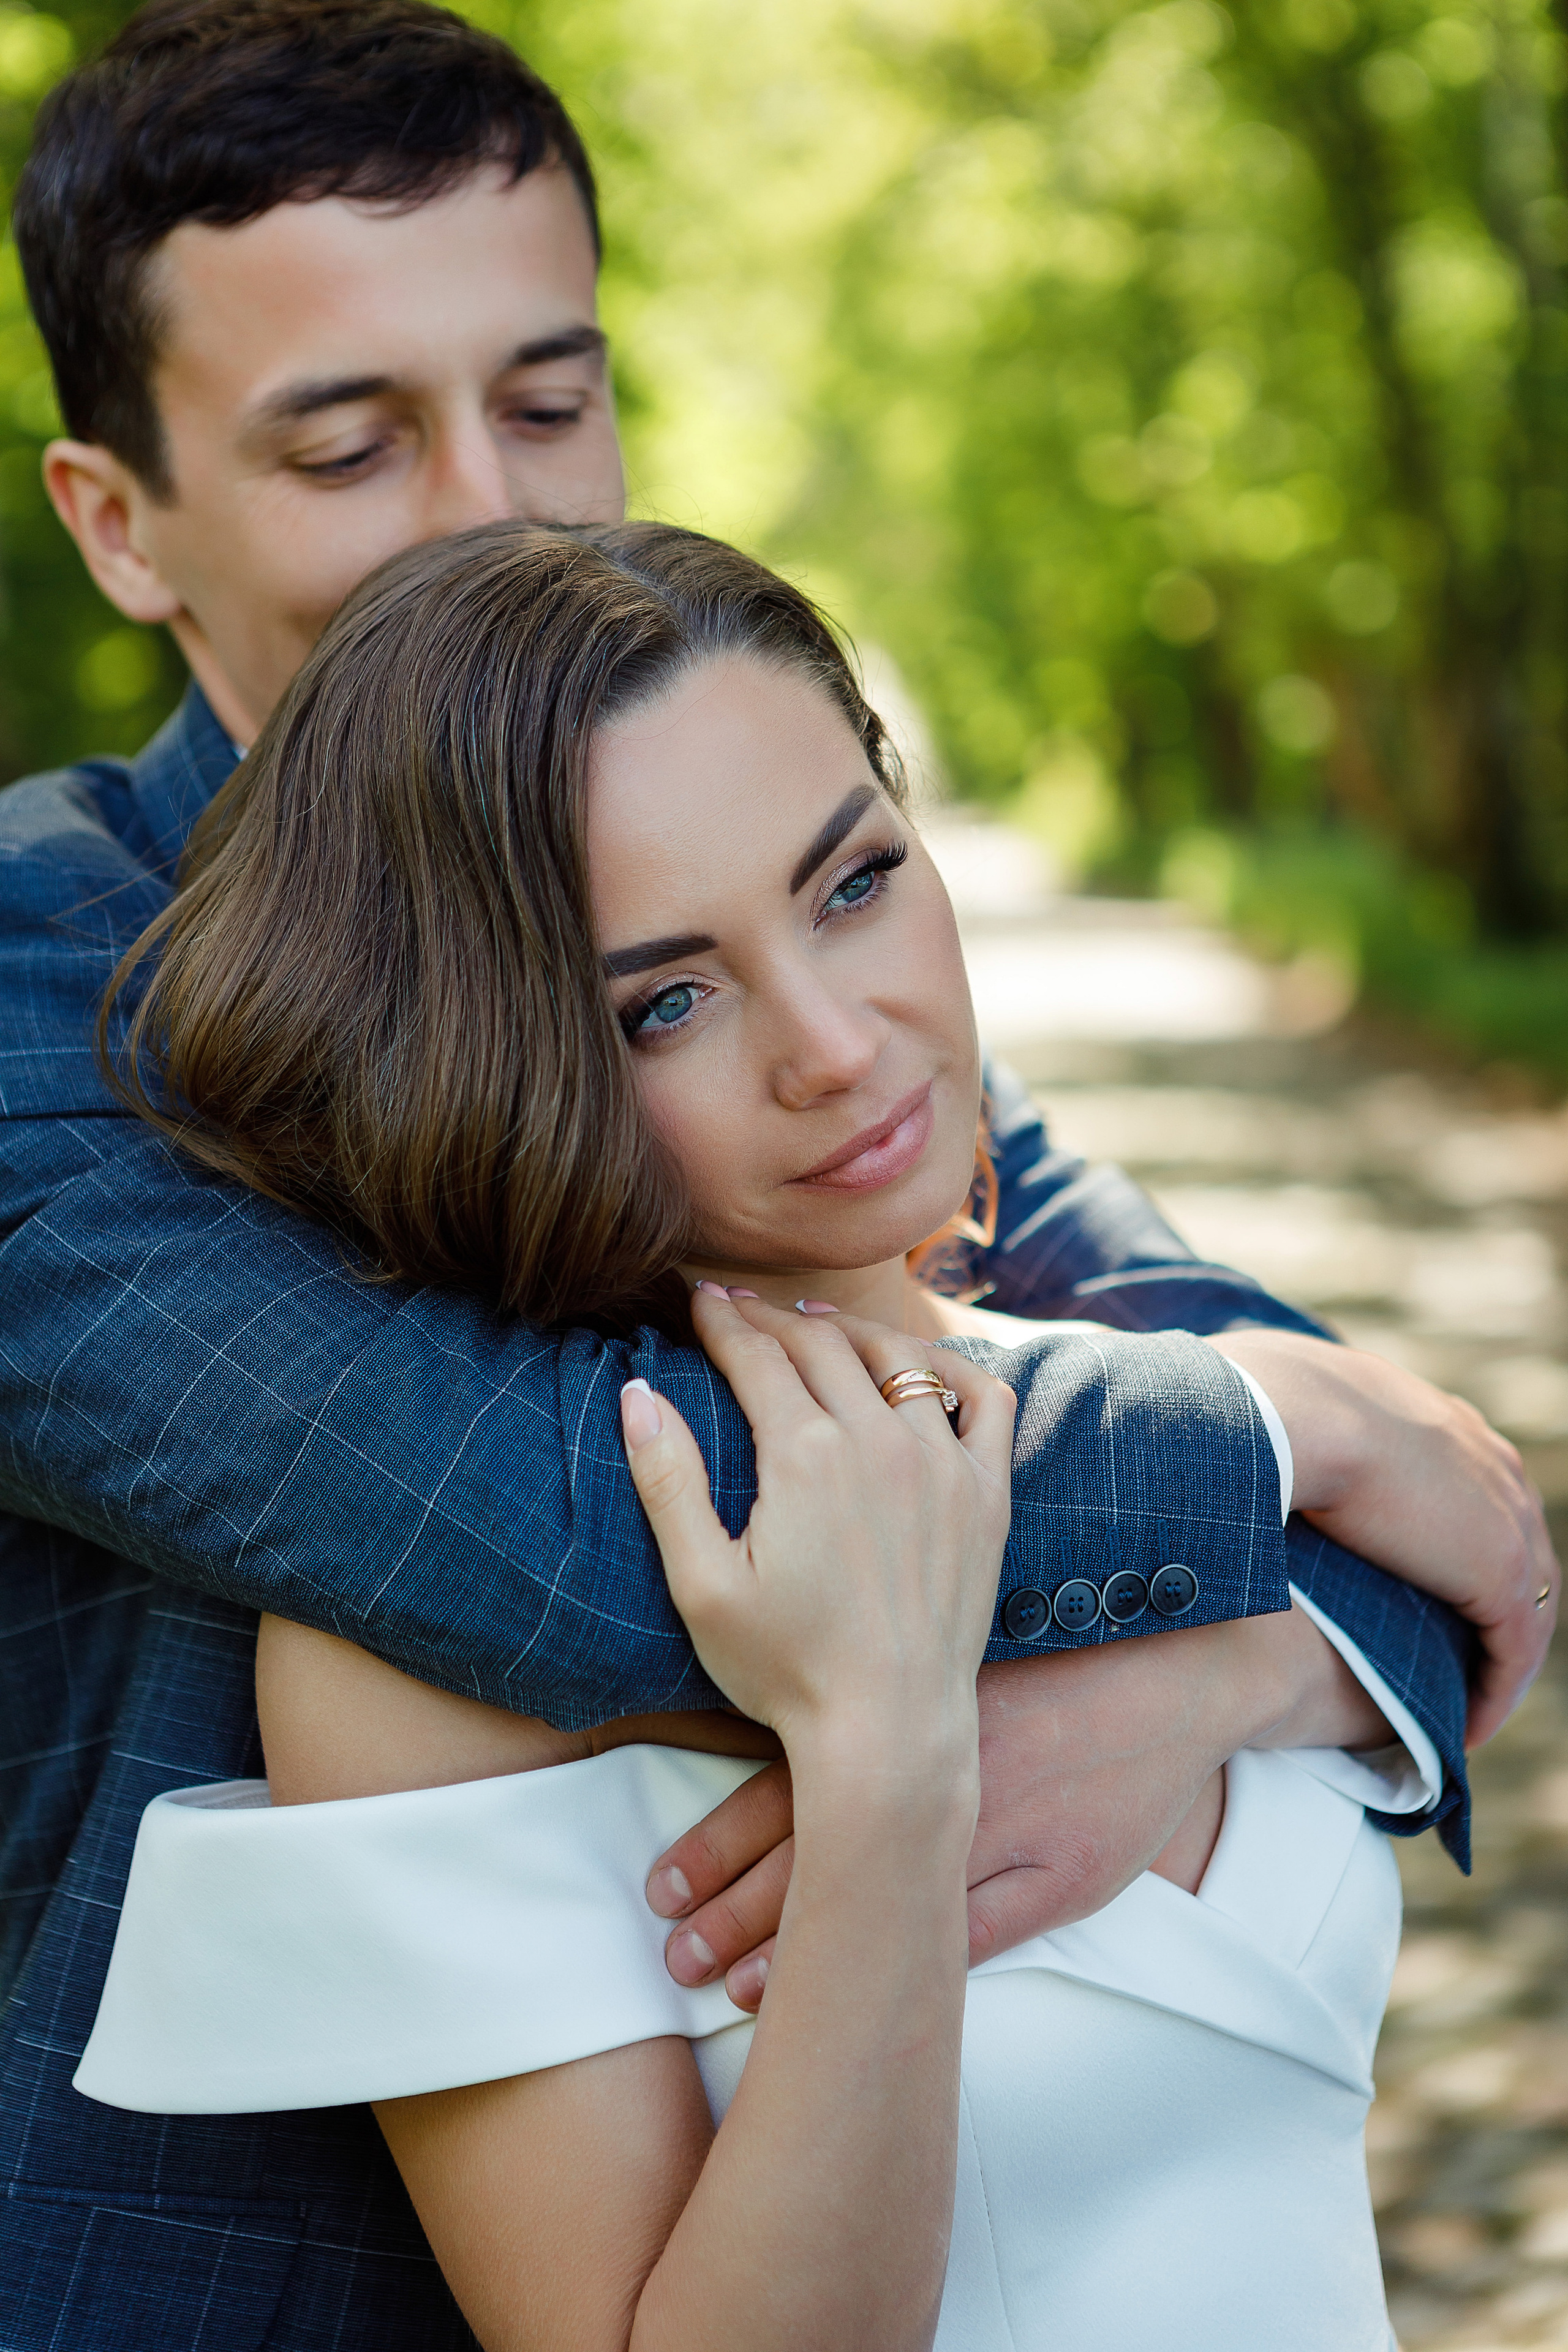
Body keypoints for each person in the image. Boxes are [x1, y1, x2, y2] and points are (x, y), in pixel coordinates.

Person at [0, 4, 1551, 2343]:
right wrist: (1286, 1445)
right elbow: (532, 1518)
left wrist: (1237, 1668)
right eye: (350, 442)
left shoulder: (745, 894)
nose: (496, 516)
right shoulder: (51, 974)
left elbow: (1422, 1517)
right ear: (120, 523)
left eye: (549, 400)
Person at [80, 517, 1455, 2348]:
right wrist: (888, 1770)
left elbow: (1469, 1598)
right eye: (666, 1000)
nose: (833, 1042)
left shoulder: (1103, 1407)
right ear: (491, 1069)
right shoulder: (425, 1654)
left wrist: (1230, 1682)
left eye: (854, 881)